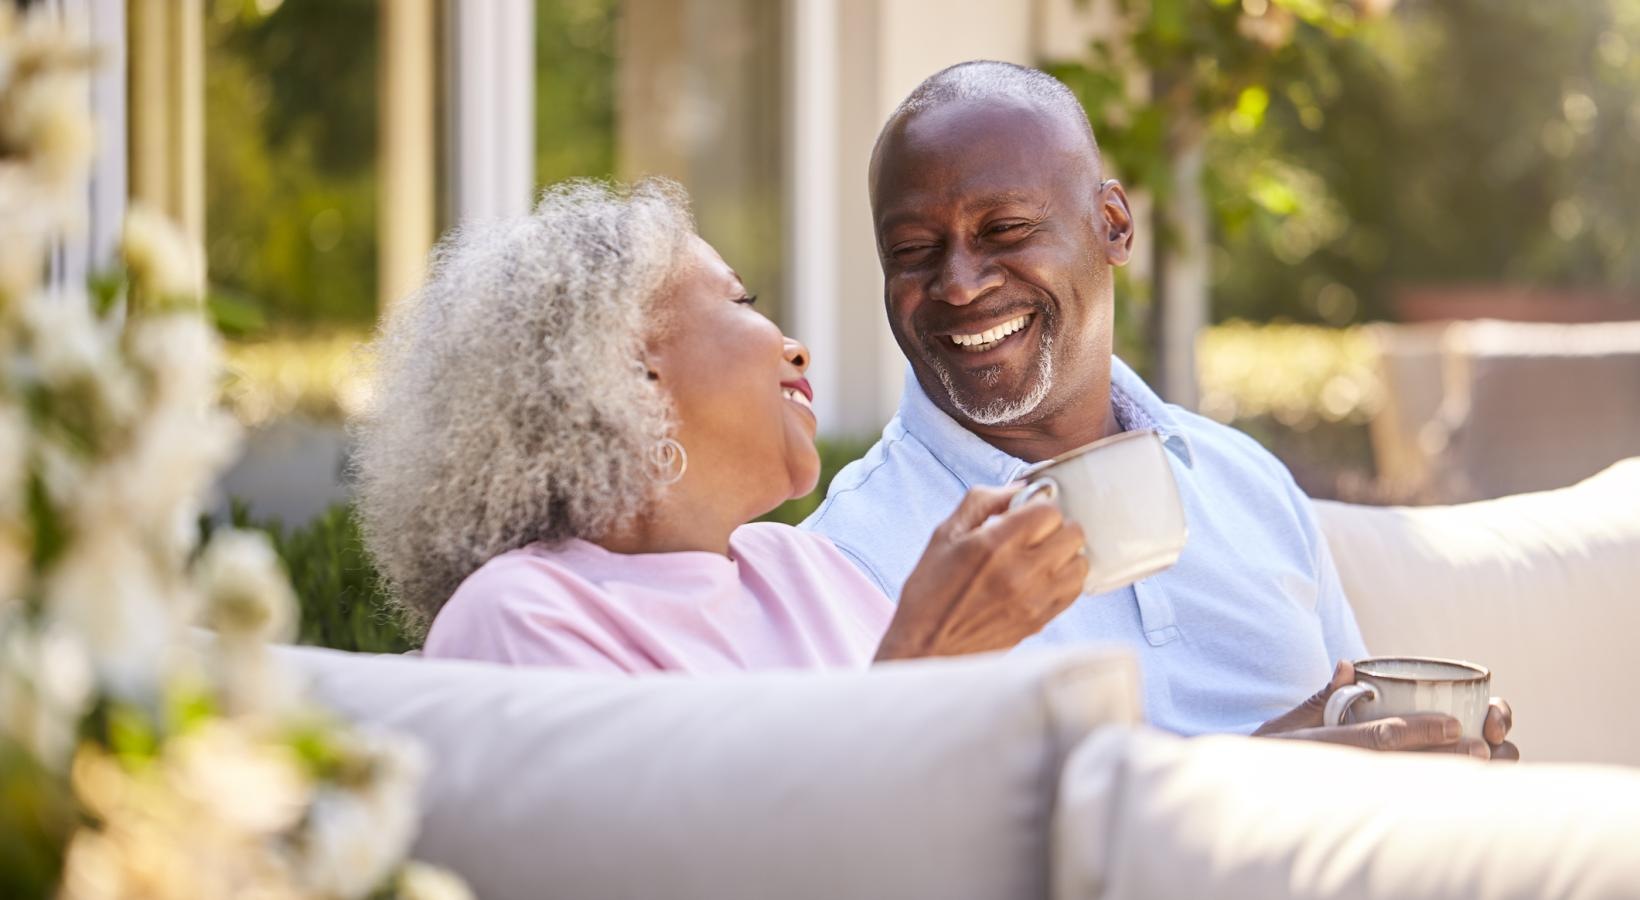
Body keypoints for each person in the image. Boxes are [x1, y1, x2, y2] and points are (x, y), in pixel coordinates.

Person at [801, 61, 1517, 759]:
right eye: (915, 249)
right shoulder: (852, 555)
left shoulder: (1244, 481)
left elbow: (1355, 725)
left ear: (1112, 224)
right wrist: (1252, 784)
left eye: (1006, 229)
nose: (958, 284)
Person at [353, 179, 1091, 674]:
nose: (795, 347)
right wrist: (927, 659)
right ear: (628, 374)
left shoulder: (810, 570)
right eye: (741, 301)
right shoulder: (521, 615)